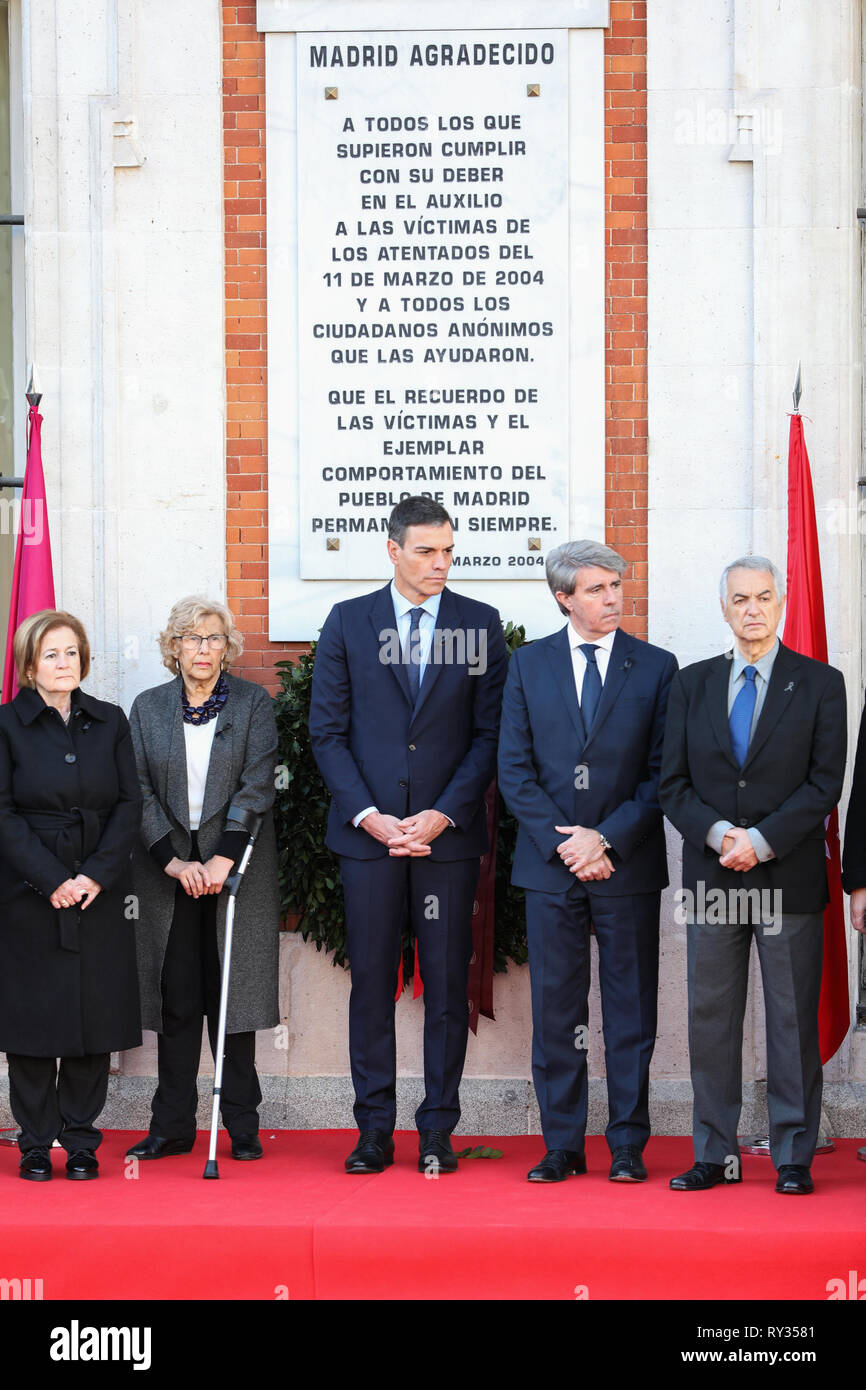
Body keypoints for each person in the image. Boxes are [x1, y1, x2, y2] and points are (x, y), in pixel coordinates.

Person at [309, 496, 507, 1175]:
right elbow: (327, 733)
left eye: (449, 550)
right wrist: (370, 815)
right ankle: (372, 1132)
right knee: (370, 984)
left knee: (447, 986)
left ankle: (437, 1131)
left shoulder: (479, 626)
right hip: (368, 839)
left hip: (445, 841)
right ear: (392, 550)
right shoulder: (346, 623)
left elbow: (489, 736)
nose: (441, 564)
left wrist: (443, 812)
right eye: (427, 551)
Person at [660, 555, 846, 1195]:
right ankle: (714, 1153)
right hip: (714, 879)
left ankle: (793, 1155)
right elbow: (672, 783)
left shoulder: (821, 684)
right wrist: (720, 836)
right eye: (740, 599)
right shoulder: (691, 685)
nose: (753, 609)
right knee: (712, 1019)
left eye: (764, 597)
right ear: (724, 608)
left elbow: (824, 784)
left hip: (786, 876)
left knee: (791, 1020)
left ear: (782, 602)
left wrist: (761, 842)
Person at [498, 540, 677, 1183]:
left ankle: (627, 1143)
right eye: (597, 589)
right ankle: (562, 1145)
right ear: (563, 597)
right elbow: (513, 770)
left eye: (616, 587)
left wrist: (603, 839)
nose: (612, 599)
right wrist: (566, 842)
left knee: (630, 1010)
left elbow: (664, 774)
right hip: (551, 868)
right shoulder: (527, 665)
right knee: (556, 1009)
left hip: (626, 866)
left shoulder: (656, 667)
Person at [125, 596, 280, 1163]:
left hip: (234, 871)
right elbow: (135, 789)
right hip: (169, 876)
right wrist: (174, 860)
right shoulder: (147, 708)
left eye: (214, 638)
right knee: (178, 1000)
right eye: (192, 638)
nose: (204, 649)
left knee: (231, 999)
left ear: (227, 647)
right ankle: (171, 1126)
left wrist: (221, 860)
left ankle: (240, 1123)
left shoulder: (252, 704)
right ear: (174, 647)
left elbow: (257, 785)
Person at [0, 610, 141, 1181]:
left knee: (92, 1018)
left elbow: (131, 804)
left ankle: (81, 1141)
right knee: (34, 1022)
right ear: (29, 664)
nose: (65, 663)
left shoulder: (110, 721)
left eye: (73, 652)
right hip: (27, 893)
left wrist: (95, 876)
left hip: (99, 893)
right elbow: (2, 813)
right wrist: (51, 878)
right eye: (52, 654)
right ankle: (35, 1142)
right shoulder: (6, 725)